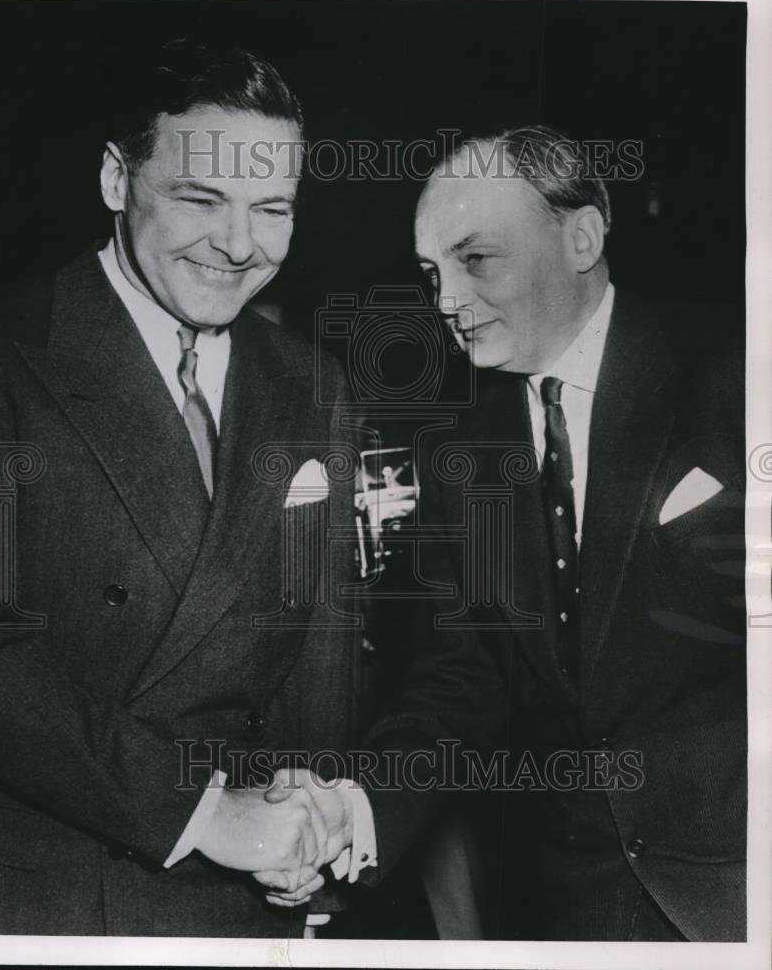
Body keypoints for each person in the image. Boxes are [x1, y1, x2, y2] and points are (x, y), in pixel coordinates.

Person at [260, 126, 746, 941]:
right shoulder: (460, 454)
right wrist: (357, 807)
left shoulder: (738, 368)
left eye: (476, 258)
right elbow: (463, 678)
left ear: (581, 234)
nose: (446, 301)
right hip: (575, 909)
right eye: (430, 273)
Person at [0, 41, 359, 937]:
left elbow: (318, 645)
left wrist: (305, 830)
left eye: (271, 208)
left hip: (242, 904)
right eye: (200, 199)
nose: (239, 245)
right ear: (117, 180)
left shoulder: (312, 384)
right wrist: (204, 812)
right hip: (34, 899)